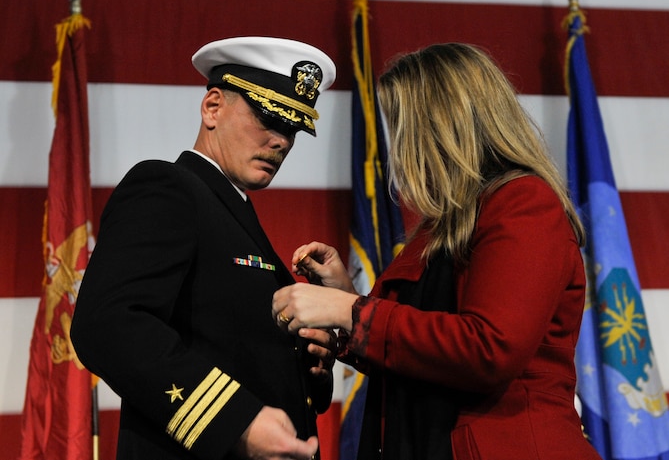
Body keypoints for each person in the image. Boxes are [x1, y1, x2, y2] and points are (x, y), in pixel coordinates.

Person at [271, 43, 602, 460]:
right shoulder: (448, 221)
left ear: (442, 125)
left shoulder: (523, 203)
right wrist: (346, 294)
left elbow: (489, 350)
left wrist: (348, 310)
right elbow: (420, 354)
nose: (398, 148)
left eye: (401, 127)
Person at [71, 36, 337, 460]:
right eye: (269, 117)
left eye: (291, 128)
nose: (282, 141)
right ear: (212, 106)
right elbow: (106, 325)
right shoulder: (167, 188)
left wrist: (315, 362)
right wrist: (237, 421)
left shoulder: (231, 211)